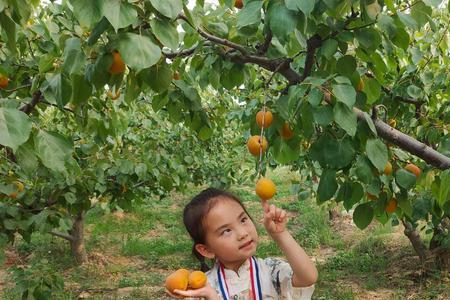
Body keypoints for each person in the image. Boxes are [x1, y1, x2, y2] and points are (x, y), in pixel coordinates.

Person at [167, 187, 317, 299]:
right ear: (206, 250)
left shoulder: (269, 271)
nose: (242, 234)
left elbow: (308, 277)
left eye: (243, 220)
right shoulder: (205, 287)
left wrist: (280, 234)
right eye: (226, 231)